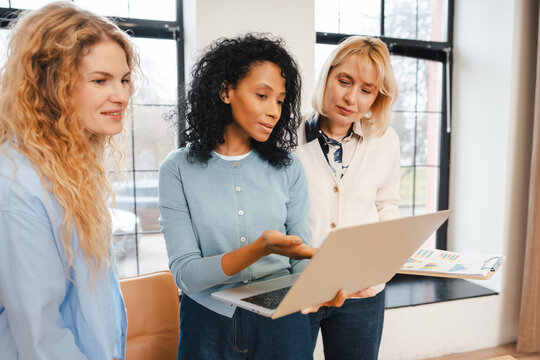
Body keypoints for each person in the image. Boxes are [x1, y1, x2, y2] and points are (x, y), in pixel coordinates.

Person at [159, 33, 360, 360]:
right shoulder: (177, 168)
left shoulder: (288, 167)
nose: (274, 111)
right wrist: (259, 248)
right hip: (207, 321)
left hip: (282, 321)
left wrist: (321, 288)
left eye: (279, 100)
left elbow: (298, 257)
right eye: (262, 95)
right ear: (226, 91)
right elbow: (186, 275)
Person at [0, 2, 139, 359]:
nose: (121, 95)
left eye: (124, 79)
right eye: (100, 80)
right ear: (51, 84)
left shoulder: (69, 169)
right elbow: (40, 335)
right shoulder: (16, 181)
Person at [295, 36, 400, 359]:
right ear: (327, 75)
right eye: (344, 81)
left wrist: (383, 266)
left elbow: (387, 204)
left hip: (362, 290)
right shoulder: (289, 134)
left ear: (376, 98)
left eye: (366, 90)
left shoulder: (385, 140)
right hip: (301, 286)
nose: (351, 98)